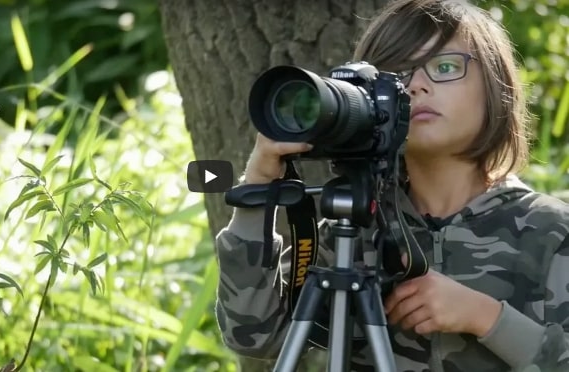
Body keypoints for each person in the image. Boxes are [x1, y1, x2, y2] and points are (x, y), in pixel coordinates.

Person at [213, 0, 569, 371]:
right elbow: (253, 336)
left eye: (444, 67)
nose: (415, 86)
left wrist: (487, 317)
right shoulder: (357, 233)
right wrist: (256, 190)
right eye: (395, 77)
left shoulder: (550, 231)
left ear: (496, 86)